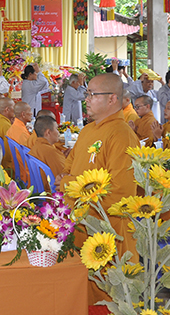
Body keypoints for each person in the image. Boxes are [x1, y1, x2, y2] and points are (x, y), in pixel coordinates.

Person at [57, 73, 143, 272]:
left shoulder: (122, 135)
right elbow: (68, 167)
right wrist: (66, 179)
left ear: (111, 98)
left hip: (106, 236)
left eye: (92, 94)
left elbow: (121, 192)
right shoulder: (88, 131)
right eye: (86, 94)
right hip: (78, 226)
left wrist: (67, 183)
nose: (86, 99)